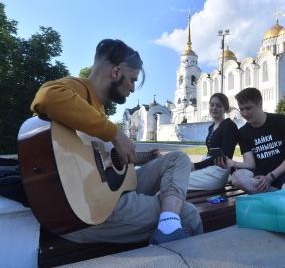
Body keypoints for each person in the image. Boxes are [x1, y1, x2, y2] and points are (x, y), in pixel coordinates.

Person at [30, 39, 202, 244]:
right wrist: (116, 134)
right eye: (132, 79)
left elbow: (100, 159)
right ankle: (169, 228)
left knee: (177, 159)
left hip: (107, 194)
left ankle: (168, 226)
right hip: (86, 209)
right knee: (188, 214)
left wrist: (141, 157)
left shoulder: (98, 111)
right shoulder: (78, 89)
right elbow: (47, 97)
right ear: (116, 72)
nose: (132, 88)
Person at [221, 88, 285, 194]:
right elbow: (251, 164)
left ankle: (277, 196)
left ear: (260, 104)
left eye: (248, 108)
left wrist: (270, 176)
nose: (244, 113)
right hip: (262, 175)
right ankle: (278, 196)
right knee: (236, 178)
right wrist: (233, 163)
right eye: (241, 109)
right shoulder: (243, 132)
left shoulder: (281, 120)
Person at [188, 93, 238, 190]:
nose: (214, 108)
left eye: (219, 106)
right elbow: (211, 153)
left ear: (225, 108)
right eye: (212, 105)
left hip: (219, 171)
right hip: (208, 168)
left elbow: (224, 157)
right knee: (176, 174)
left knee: (176, 180)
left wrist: (195, 166)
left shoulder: (229, 126)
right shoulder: (211, 127)